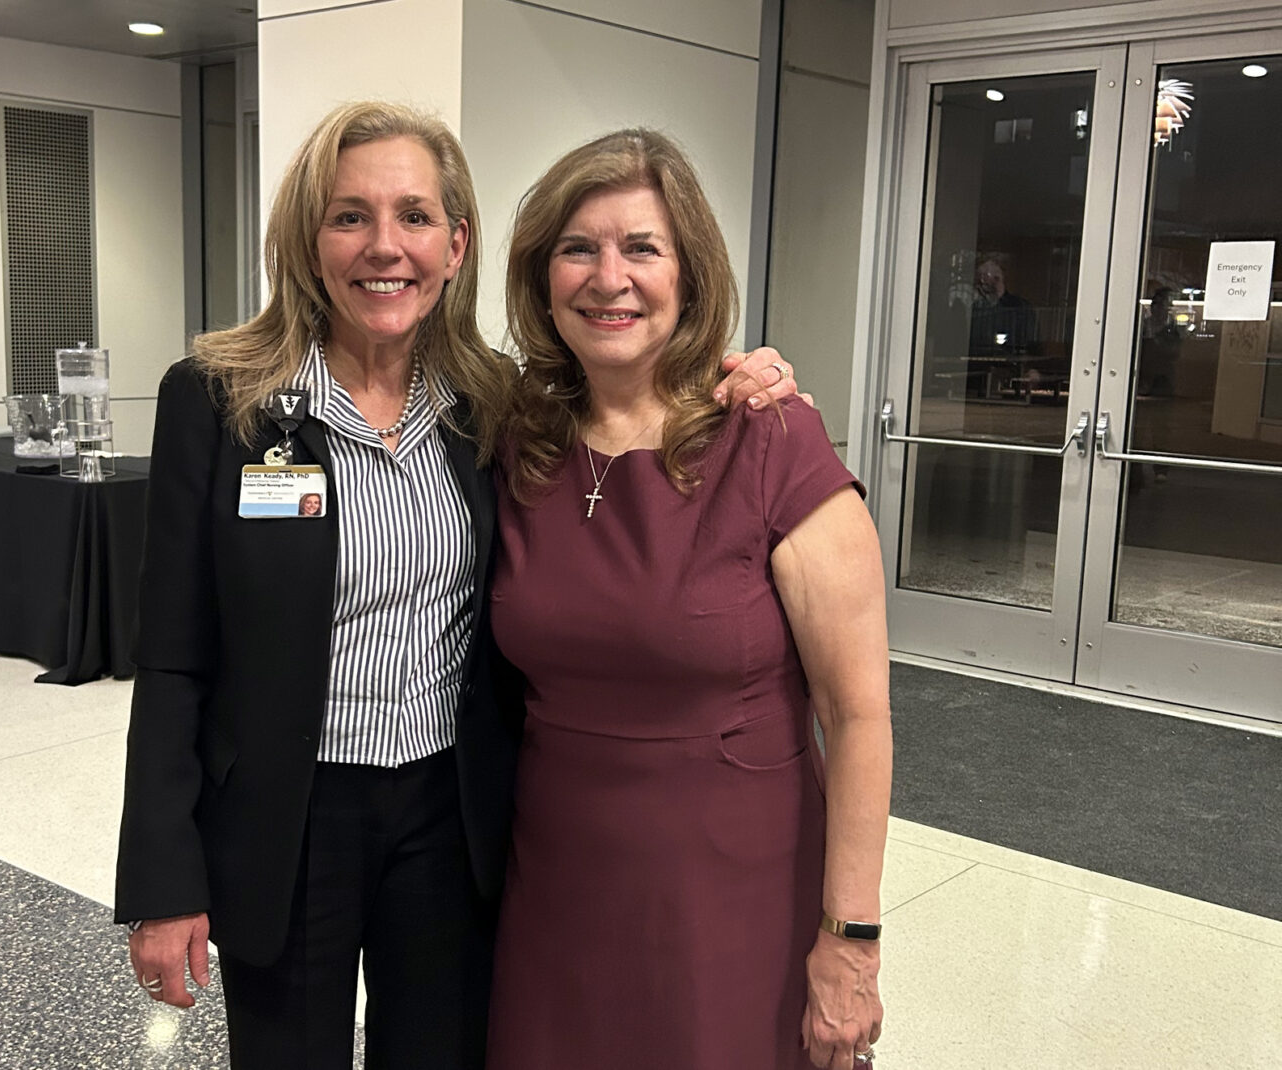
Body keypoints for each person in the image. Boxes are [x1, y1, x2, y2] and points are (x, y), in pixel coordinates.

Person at [113, 101, 802, 1070]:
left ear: (456, 244)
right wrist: (162, 878)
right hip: (287, 817)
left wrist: (743, 381)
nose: (383, 247)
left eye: (414, 216)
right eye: (349, 216)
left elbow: (636, 407)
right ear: (309, 241)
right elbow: (173, 656)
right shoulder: (221, 400)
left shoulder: (496, 406)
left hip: (450, 815)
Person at [486, 129, 891, 1070]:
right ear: (542, 277)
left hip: (734, 896)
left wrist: (852, 943)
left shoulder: (770, 439)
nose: (609, 278)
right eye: (577, 248)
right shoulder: (518, 442)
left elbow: (858, 714)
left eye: (643, 248)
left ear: (690, 274)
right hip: (555, 890)